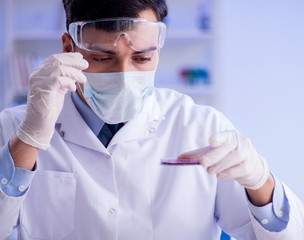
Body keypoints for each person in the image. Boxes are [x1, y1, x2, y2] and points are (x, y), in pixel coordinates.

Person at [0, 0, 303, 239]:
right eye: (102, 58)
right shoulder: (15, 128)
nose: (124, 74)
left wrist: (260, 182)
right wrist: (29, 138)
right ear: (68, 48)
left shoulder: (202, 128)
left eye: (142, 58)